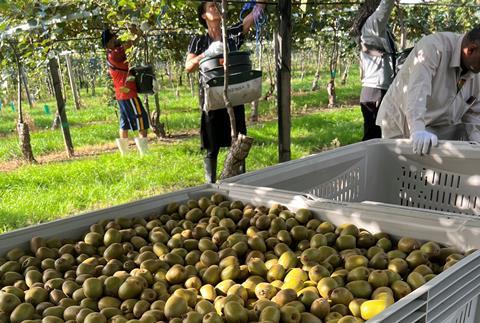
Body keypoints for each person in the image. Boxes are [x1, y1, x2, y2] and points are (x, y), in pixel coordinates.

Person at [185, 1, 265, 183]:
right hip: (212, 96)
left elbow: (253, 16)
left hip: (234, 93)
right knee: (211, 142)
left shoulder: (231, 35)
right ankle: (210, 182)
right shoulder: (199, 40)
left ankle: (241, 179)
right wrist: (206, 54)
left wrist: (260, 3)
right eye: (212, 6)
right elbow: (188, 66)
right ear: (204, 16)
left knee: (238, 138)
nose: (217, 8)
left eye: (217, 5)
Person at [376, 25, 480, 155]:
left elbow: (474, 114)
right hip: (399, 121)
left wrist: (477, 146)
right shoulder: (433, 48)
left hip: (436, 126)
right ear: (470, 50)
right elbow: (417, 91)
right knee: (400, 166)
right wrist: (417, 130)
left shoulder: (476, 71)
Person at [351, 0, 396, 141]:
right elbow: (385, 7)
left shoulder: (381, 31)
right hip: (375, 90)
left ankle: (373, 161)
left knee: (377, 133)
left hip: (378, 89)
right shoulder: (372, 24)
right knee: (373, 137)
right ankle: (367, 162)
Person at [101, 28, 149, 156]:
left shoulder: (110, 55)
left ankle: (125, 155)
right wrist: (137, 32)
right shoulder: (115, 53)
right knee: (141, 119)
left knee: (124, 123)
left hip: (121, 95)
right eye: (114, 38)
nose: (117, 40)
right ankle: (144, 154)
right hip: (129, 94)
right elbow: (129, 44)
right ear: (109, 42)